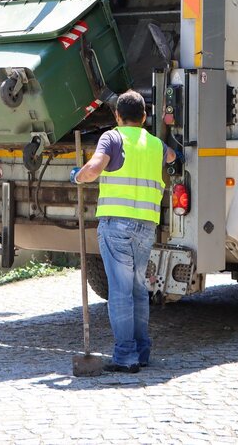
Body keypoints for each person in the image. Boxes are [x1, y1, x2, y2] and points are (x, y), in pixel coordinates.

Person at [71, 90, 178, 373]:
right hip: (146, 226)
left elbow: (94, 169)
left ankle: (125, 356)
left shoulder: (113, 137)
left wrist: (78, 176)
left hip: (116, 225)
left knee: (120, 292)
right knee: (138, 289)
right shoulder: (155, 144)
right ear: (144, 117)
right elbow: (171, 156)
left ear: (117, 116)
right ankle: (142, 352)